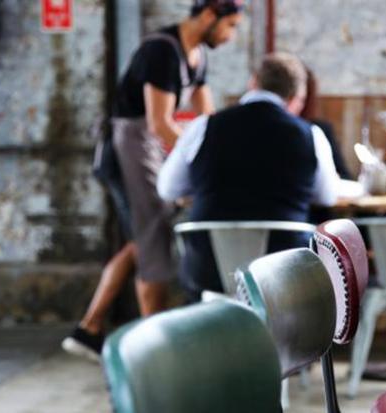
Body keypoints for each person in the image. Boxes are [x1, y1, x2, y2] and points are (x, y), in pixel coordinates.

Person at [62, 0, 244, 362]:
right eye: (230, 25)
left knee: (141, 240)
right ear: (209, 15)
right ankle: (155, 352)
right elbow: (160, 123)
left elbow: (207, 120)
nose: (231, 35)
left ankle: (89, 328)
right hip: (131, 142)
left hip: (151, 145)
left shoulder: (197, 56)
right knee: (153, 239)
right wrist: (203, 160)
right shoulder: (161, 50)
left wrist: (223, 148)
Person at [157, 52, 346, 302]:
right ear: (296, 98)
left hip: (209, 268)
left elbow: (167, 188)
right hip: (283, 271)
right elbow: (327, 196)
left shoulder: (204, 126)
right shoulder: (311, 135)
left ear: (253, 82)